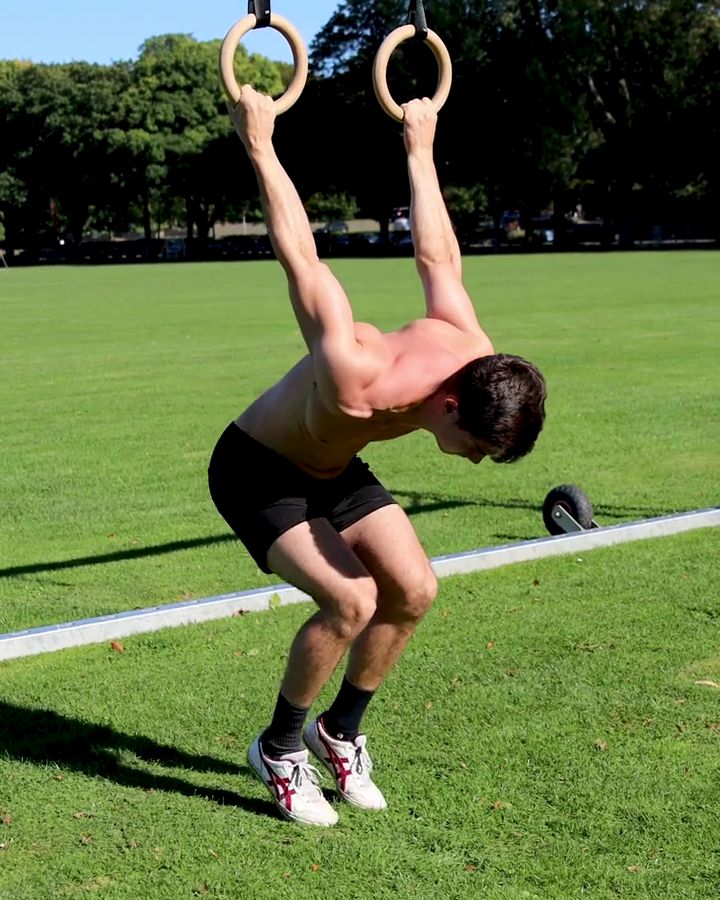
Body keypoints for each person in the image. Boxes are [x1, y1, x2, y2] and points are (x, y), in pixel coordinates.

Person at [208, 86, 546, 827]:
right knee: (352, 599)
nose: (474, 463)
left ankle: (342, 732)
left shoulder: (471, 354)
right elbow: (302, 258)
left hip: (335, 468)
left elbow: (438, 254)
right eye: (480, 451)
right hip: (259, 469)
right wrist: (260, 143)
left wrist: (419, 144)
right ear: (451, 406)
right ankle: (281, 748)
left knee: (414, 590)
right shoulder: (353, 372)